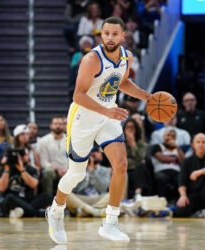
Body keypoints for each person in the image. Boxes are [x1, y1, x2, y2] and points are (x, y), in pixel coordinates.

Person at [46, 17, 151, 244]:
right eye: (106, 33)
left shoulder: (127, 57)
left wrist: (147, 97)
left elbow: (120, 83)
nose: (110, 38)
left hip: (107, 115)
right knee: (77, 173)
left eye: (115, 34)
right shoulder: (91, 59)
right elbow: (78, 95)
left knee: (121, 165)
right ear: (101, 35)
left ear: (123, 36)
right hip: (83, 116)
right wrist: (107, 111)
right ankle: (55, 210)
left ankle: (110, 221)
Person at [174, 133, 205, 218]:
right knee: (179, 212)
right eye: (198, 142)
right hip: (194, 195)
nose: (201, 144)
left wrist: (200, 172)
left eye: (203, 142)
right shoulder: (187, 161)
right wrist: (183, 196)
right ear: (193, 145)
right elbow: (182, 181)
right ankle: (171, 209)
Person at [0, 148, 53, 218]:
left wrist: (21, 169)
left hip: (27, 201)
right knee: (9, 197)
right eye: (19, 155)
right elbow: (1, 188)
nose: (22, 157)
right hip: (11, 201)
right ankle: (37, 213)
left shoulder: (31, 169)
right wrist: (6, 168)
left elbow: (33, 184)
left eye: (24, 155)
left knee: (47, 196)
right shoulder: (6, 168)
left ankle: (21, 212)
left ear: (29, 157)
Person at [66, 148, 110, 217]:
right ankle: (94, 211)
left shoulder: (105, 171)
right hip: (81, 199)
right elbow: (75, 189)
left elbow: (102, 188)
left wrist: (92, 172)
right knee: (65, 194)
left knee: (111, 195)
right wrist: (82, 170)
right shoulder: (78, 170)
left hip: (97, 199)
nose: (93, 154)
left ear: (101, 156)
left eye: (97, 152)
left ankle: (87, 211)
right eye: (91, 152)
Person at [151, 128, 184, 201]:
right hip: (162, 171)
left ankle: (178, 202)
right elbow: (161, 158)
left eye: (173, 136)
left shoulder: (178, 149)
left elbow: (183, 162)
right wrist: (175, 159)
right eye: (168, 135)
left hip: (176, 172)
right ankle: (161, 201)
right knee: (161, 178)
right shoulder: (158, 146)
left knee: (181, 179)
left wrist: (178, 148)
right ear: (163, 136)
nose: (170, 137)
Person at [37, 117, 68, 195]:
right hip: (53, 170)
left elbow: (74, 158)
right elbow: (43, 162)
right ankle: (49, 200)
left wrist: (68, 169)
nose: (58, 126)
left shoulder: (70, 140)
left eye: (60, 124)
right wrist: (57, 170)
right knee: (48, 172)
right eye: (55, 124)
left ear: (64, 126)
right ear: (51, 126)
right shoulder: (43, 141)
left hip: (68, 170)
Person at [123, 118, 147, 198]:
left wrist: (133, 144)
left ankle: (138, 194)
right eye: (128, 127)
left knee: (141, 166)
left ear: (136, 130)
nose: (130, 130)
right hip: (124, 169)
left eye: (132, 127)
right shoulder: (119, 143)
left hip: (137, 170)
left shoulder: (141, 143)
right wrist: (133, 161)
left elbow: (140, 158)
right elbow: (120, 159)